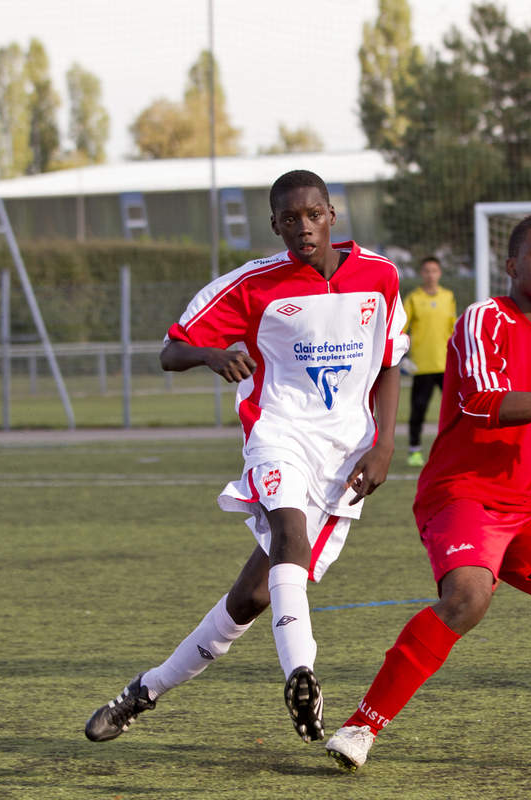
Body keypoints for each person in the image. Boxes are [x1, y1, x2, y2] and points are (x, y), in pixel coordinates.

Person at [84, 170, 408, 745]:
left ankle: (145, 691)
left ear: (332, 214)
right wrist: (211, 356)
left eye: (313, 215)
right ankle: (302, 675)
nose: (303, 228)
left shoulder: (380, 276)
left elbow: (389, 363)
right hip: (278, 432)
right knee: (289, 531)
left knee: (251, 598)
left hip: (345, 454)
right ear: (275, 224)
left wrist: (384, 445)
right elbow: (169, 351)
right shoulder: (252, 285)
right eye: (290, 219)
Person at [324, 213, 531, 771]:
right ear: (511, 264)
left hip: (523, 505)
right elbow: (482, 402)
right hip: (459, 496)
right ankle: (362, 726)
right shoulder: (485, 317)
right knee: (469, 597)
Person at [401, 256, 457, 467]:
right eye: (426, 271)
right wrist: (403, 355)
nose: (430, 275)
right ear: (421, 274)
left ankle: (453, 448)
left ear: (439, 273)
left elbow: (453, 329)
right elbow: (402, 327)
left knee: (453, 411)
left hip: (446, 365)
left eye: (434, 271)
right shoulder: (414, 298)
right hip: (422, 365)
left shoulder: (448, 296)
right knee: (419, 409)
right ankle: (414, 450)